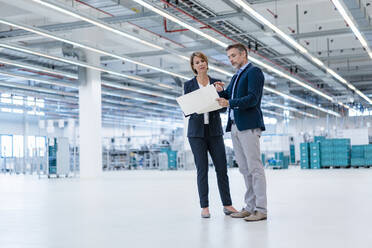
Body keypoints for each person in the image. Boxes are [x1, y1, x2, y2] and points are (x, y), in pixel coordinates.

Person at [215, 43, 267, 222]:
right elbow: (229, 94)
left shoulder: (254, 72)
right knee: (245, 169)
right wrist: (222, 92)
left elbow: (253, 99)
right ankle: (250, 207)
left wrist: (229, 102)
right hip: (235, 126)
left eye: (233, 56)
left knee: (255, 168)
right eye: (229, 57)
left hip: (249, 125)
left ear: (244, 54)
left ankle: (261, 209)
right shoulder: (237, 75)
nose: (231, 60)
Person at [184, 52, 237, 218]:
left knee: (222, 168)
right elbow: (189, 108)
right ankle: (204, 207)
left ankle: (227, 204)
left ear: (207, 63)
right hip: (196, 133)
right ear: (193, 66)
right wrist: (204, 99)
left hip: (214, 131)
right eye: (197, 62)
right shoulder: (189, 85)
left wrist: (220, 93)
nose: (201, 64)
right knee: (202, 170)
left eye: (203, 61)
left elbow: (222, 107)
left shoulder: (216, 83)